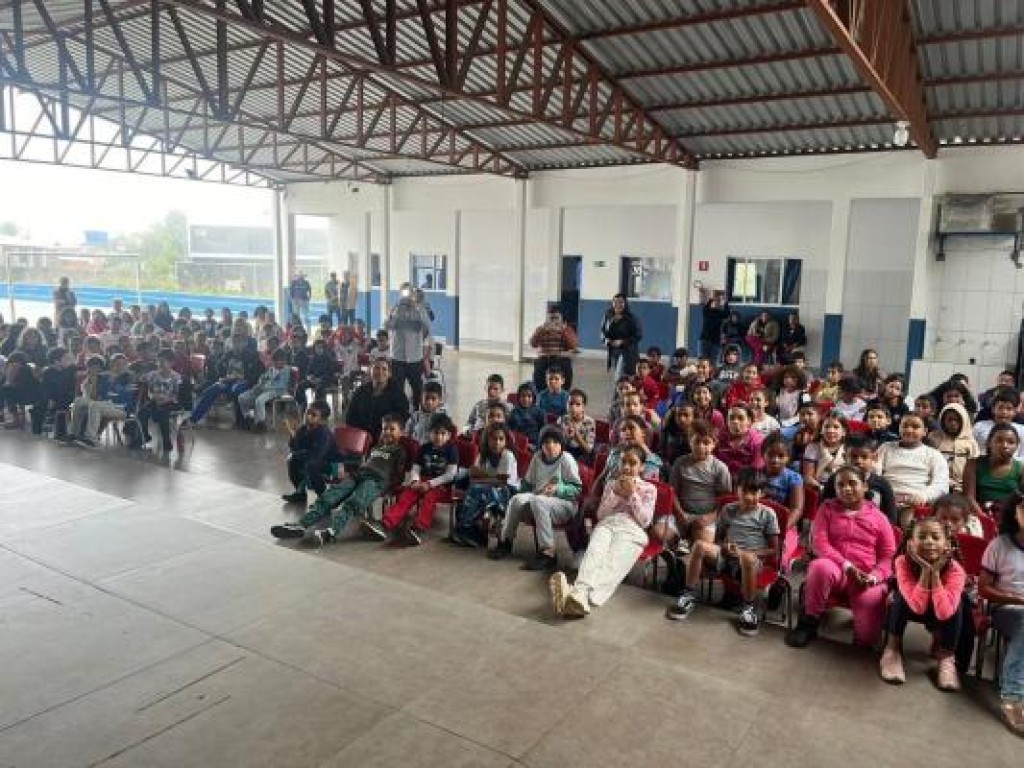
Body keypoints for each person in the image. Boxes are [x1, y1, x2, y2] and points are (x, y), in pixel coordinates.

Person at [785, 465, 896, 648]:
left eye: (852, 483)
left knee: (866, 642)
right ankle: (808, 623)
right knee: (820, 566)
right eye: (840, 485)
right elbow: (820, 544)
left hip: (865, 577)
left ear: (865, 486)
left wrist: (874, 577)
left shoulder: (879, 518)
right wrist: (847, 566)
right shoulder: (826, 509)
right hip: (836, 569)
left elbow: (888, 556)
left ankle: (863, 636)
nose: (846, 489)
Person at [668, 468, 780, 636]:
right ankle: (688, 595)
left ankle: (748, 609)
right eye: (744, 491)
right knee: (699, 545)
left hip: (750, 561)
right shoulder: (728, 509)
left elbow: (773, 550)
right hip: (726, 556)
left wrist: (743, 553)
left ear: (762, 493)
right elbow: (718, 539)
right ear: (737, 489)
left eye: (754, 492)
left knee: (748, 558)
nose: (749, 497)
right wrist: (725, 547)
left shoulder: (768, 514)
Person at [549, 445, 656, 618]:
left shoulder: (649, 488)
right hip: (607, 525)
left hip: (632, 530)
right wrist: (615, 494)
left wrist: (632, 495)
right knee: (594, 554)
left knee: (613, 563)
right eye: (623, 462)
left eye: (632, 463)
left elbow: (645, 521)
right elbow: (601, 514)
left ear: (642, 467)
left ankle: (577, 594)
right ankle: (578, 597)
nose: (626, 467)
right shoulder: (612, 485)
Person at [271, 413, 409, 546]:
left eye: (392, 429)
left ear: (402, 432)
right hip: (358, 475)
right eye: (385, 428)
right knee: (329, 497)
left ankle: (331, 532)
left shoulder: (399, 450)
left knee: (354, 502)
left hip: (376, 481)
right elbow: (366, 463)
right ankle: (301, 525)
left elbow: (398, 473)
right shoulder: (376, 448)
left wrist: (391, 485)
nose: (387, 432)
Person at [880, 516, 966, 690]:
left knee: (957, 604)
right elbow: (917, 607)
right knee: (900, 597)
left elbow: (944, 613)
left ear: (947, 544)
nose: (929, 541)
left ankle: (946, 657)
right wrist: (926, 571)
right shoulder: (902, 562)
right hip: (912, 607)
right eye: (922, 536)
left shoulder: (956, 570)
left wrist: (935, 574)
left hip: (940, 612)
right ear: (911, 543)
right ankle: (892, 650)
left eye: (935, 537)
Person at [488, 425, 582, 571]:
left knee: (538, 501)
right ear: (541, 445)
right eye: (546, 442)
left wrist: (558, 489)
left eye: (555, 442)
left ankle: (548, 553)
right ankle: (505, 541)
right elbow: (527, 484)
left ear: (561, 445)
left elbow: (577, 489)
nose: (550, 446)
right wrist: (520, 497)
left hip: (564, 504)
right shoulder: (537, 457)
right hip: (539, 499)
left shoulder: (566, 459)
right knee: (516, 500)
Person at [374, 413, 458, 546]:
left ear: (449, 435)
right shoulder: (423, 448)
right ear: (429, 433)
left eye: (443, 434)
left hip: (441, 485)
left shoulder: (451, 450)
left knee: (429, 499)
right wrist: (415, 481)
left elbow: (450, 475)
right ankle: (386, 523)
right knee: (406, 496)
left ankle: (418, 528)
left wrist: (430, 484)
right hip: (421, 481)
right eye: (436, 433)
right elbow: (416, 469)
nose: (439, 437)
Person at [978, 493, 1024, 735]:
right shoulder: (999, 545)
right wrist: (1018, 599)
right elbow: (984, 588)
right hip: (1007, 609)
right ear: (1016, 513)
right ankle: (1013, 697)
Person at [450, 424, 519, 548]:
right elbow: (474, 477)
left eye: (501, 439)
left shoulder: (507, 456)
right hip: (488, 489)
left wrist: (483, 476)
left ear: (506, 441)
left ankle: (466, 527)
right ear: (487, 440)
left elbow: (502, 482)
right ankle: (473, 531)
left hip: (507, 493)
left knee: (479, 490)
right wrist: (489, 478)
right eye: (493, 439)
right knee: (473, 489)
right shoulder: (483, 455)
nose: (497, 442)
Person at [876, 414, 950, 527]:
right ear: (899, 428)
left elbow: (941, 485)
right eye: (905, 426)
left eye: (915, 427)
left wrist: (923, 496)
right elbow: (875, 474)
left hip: (916, 503)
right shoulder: (885, 448)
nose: (909, 430)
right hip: (886, 500)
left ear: (925, 431)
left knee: (910, 524)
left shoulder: (934, 454)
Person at [185, 331, 262, 428]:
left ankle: (241, 421)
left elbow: (256, 373)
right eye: (234, 342)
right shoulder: (228, 354)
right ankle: (193, 419)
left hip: (244, 382)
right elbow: (219, 367)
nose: (236, 344)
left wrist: (241, 378)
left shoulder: (252, 355)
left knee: (237, 389)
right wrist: (222, 376)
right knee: (211, 390)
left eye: (239, 342)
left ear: (245, 343)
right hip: (228, 381)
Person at [280, 401, 341, 505]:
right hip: (313, 458)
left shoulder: (323, 432)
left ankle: (324, 498)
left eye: (313, 415)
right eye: (308, 412)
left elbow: (319, 454)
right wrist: (293, 434)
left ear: (322, 420)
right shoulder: (304, 429)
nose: (308, 416)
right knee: (292, 460)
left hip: (329, 463)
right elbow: (295, 448)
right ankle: (300, 493)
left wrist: (301, 454)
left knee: (311, 465)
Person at [963, 424, 1022, 517]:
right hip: (978, 515)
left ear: (1017, 446)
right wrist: (985, 518)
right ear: (989, 442)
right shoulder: (973, 464)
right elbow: (969, 497)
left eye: (1011, 442)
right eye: (999, 440)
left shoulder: (1021, 469)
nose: (1005, 446)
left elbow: (1021, 501)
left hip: (1010, 517)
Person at [386, 286, 430, 408]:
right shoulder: (395, 309)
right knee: (397, 388)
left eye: (410, 294)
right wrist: (398, 312)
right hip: (398, 357)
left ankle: (417, 411)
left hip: (415, 357)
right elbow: (388, 325)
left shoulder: (420, 310)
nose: (408, 297)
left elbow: (426, 328)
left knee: (417, 388)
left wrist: (417, 308)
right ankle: (399, 411)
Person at [344, 358, 410, 440]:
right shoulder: (360, 391)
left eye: (384, 369)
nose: (380, 372)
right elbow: (350, 417)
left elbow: (401, 420)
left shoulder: (398, 394)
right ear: (370, 371)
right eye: (376, 368)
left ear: (389, 373)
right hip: (360, 437)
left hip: (386, 438)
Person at [926, 403, 978, 493]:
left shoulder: (971, 442)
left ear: (964, 421)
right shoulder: (934, 438)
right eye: (949, 420)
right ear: (942, 421)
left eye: (957, 420)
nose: (953, 423)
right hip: (938, 484)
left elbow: (974, 469)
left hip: (963, 487)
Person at [237, 348, 293, 432]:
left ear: (285, 360)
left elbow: (281, 385)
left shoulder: (286, 370)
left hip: (277, 391)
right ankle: (248, 417)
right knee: (242, 397)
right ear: (274, 361)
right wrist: (258, 386)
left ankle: (260, 423)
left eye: (282, 360)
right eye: (277, 360)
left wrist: (264, 387)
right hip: (263, 389)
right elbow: (262, 379)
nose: (280, 362)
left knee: (259, 400)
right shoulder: (270, 369)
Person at [137, 349, 182, 452]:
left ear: (171, 363)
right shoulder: (152, 374)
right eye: (158, 361)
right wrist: (152, 396)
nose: (160, 364)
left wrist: (168, 399)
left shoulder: (176, 377)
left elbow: (178, 394)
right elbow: (142, 383)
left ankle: (166, 440)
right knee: (142, 412)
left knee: (163, 413)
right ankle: (145, 435)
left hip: (170, 402)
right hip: (154, 400)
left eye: (163, 361)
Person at [529, 304, 578, 391]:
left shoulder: (567, 329)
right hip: (545, 358)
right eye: (551, 318)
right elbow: (533, 343)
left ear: (561, 318)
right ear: (547, 318)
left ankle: (564, 392)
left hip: (561, 358)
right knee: (539, 369)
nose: (554, 321)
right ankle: (540, 393)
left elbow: (573, 345)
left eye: (556, 318)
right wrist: (542, 330)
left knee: (566, 367)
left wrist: (563, 331)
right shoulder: (541, 329)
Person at [600, 293, 642, 378]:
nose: (618, 304)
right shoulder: (608, 315)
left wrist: (622, 341)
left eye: (621, 302)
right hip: (614, 352)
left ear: (625, 303)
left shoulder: (632, 318)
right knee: (619, 376)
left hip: (628, 352)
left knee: (621, 377)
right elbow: (602, 332)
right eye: (615, 302)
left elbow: (638, 335)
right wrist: (606, 341)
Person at [973, 387, 1024, 457]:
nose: (1004, 412)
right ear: (993, 409)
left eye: (1009, 409)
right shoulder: (979, 427)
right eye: (1000, 407)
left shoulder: (1021, 430)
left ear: (1015, 412)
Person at [698, 287, 729, 363]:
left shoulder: (721, 313)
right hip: (705, 339)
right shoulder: (707, 311)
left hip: (716, 341)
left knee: (714, 362)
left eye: (718, 301)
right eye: (716, 301)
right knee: (703, 361)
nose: (717, 302)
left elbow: (727, 313)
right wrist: (713, 298)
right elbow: (707, 305)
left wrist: (725, 301)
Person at [509, 383, 545, 447]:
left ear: (534, 397)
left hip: (535, 443)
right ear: (519, 397)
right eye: (523, 396)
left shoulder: (540, 412)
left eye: (529, 396)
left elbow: (543, 432)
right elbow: (510, 431)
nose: (526, 399)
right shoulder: (513, 412)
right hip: (517, 443)